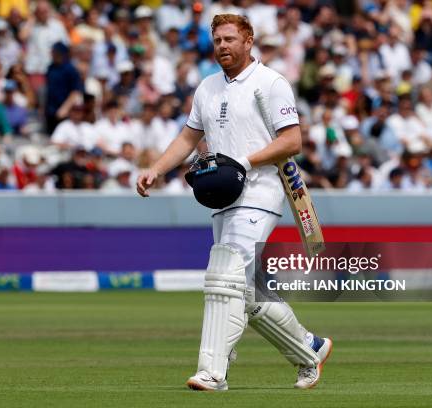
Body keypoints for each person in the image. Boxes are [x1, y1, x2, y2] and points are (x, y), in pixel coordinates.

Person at [136, 14, 332, 391]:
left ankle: (213, 371)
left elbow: (292, 142)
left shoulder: (270, 83)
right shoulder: (207, 87)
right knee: (247, 291)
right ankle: (311, 349)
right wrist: (157, 169)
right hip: (222, 195)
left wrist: (245, 161)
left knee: (223, 273)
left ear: (248, 40)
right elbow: (188, 137)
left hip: (260, 190)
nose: (222, 46)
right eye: (217, 40)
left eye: (229, 39)